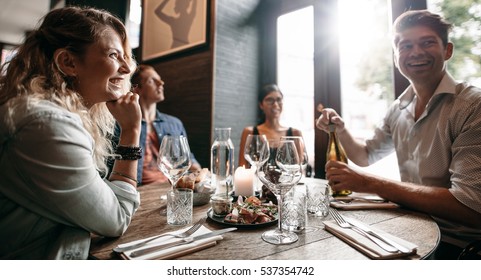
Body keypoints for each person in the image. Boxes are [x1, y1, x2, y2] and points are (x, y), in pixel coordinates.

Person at [316, 10, 481, 259]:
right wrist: (340, 129)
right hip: (410, 231)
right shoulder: (398, 108)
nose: (415, 52)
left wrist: (369, 183)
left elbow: (471, 205)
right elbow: (365, 155)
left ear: (447, 50)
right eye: (405, 46)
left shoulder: (471, 106)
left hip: (458, 246)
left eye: (427, 42)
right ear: (396, 57)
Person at [0, 6, 141, 259]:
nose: (127, 68)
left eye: (125, 57)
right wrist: (131, 131)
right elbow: (116, 218)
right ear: (68, 62)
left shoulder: (57, 115)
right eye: (113, 55)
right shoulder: (47, 124)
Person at [129, 64, 201, 185]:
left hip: (171, 186)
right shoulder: (124, 125)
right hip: (139, 191)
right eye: (152, 81)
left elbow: (188, 158)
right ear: (137, 89)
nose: (161, 83)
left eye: (160, 79)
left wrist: (201, 173)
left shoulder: (174, 123)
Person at [238, 84, 303, 167]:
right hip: (256, 180)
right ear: (261, 105)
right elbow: (242, 167)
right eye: (269, 100)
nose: (275, 104)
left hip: (287, 180)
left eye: (279, 100)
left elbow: (300, 169)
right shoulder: (250, 132)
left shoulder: (295, 134)